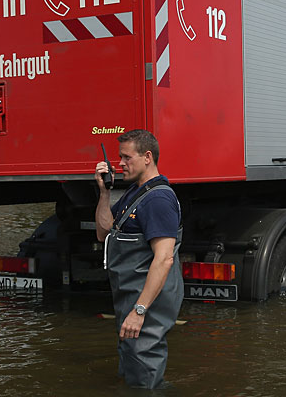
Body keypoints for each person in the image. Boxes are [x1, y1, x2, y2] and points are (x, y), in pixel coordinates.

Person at [94, 129, 183, 389]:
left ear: (147, 157)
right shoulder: (134, 193)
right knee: (132, 366)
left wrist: (140, 310)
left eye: (126, 157)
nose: (120, 164)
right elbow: (103, 232)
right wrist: (104, 192)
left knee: (145, 375)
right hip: (130, 298)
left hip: (146, 302)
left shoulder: (159, 200)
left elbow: (165, 259)